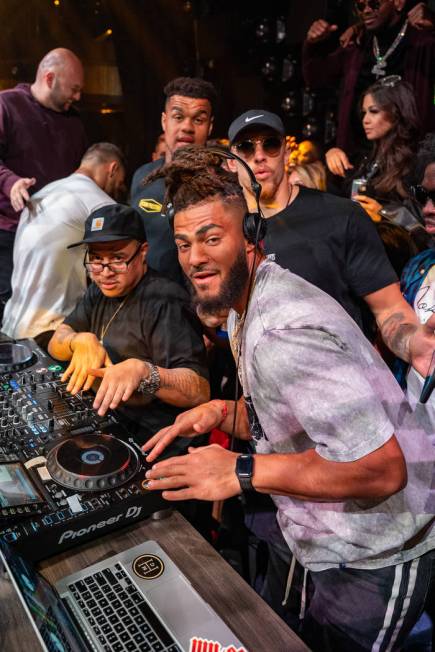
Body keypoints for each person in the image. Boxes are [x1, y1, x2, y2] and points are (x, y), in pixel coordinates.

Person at [141, 149, 435, 651]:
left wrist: (240, 471)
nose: (194, 259)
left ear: (252, 236)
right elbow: (294, 424)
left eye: (213, 238)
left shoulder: (285, 333)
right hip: (324, 541)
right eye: (185, 243)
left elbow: (383, 471)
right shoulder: (243, 309)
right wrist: (223, 412)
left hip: (378, 553)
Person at [225, 109, 435, 373]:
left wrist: (413, 343)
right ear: (231, 161)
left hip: (342, 395)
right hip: (266, 401)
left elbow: (389, 309)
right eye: (245, 147)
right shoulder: (227, 233)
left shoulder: (341, 216)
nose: (259, 156)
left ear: (286, 153)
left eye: (270, 144)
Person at [48, 203, 209, 445]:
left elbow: (199, 390)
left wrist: (145, 373)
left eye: (117, 259)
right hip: (109, 422)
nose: (105, 272)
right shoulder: (100, 291)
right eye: (96, 259)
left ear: (143, 251)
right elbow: (56, 340)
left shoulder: (165, 300)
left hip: (153, 439)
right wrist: (78, 340)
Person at [1, 143, 126, 344]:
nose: (117, 190)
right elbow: (117, 274)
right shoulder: (101, 204)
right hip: (51, 331)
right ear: (113, 169)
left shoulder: (42, 193)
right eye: (119, 183)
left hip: (12, 323)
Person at [0, 48, 87, 320]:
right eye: (73, 89)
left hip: (56, 240)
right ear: (49, 78)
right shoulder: (6, 105)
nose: (77, 97)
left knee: (47, 317)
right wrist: (11, 183)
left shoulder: (74, 122)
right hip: (9, 236)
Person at [302, 0, 435, 156]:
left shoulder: (423, 43)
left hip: (407, 161)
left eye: (374, 4)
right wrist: (313, 44)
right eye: (360, 6)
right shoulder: (357, 43)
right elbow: (315, 78)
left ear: (398, 3)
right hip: (358, 159)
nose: (366, 11)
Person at [130, 76, 216, 284]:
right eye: (178, 117)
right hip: (149, 305)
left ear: (210, 127)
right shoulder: (142, 176)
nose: (187, 127)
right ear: (164, 121)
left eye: (198, 119)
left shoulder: (222, 184)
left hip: (200, 307)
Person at [325, 76, 426, 240]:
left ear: (396, 113)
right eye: (364, 113)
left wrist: (384, 214)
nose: (365, 120)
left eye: (374, 111)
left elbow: (423, 225)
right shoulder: (366, 159)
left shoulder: (415, 163)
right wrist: (332, 154)